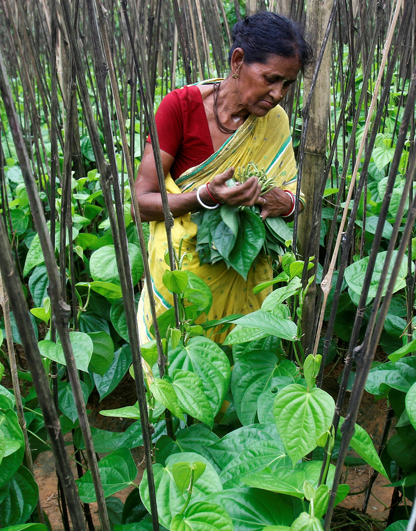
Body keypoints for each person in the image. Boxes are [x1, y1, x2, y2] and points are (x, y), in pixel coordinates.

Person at [134, 12, 313, 348]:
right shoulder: (180, 108)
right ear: (238, 60)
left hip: (248, 277)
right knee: (181, 364)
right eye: (270, 78)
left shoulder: (275, 121)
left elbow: (294, 194)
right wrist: (205, 197)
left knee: (241, 366)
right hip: (184, 279)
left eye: (287, 84)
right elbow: (140, 204)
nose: (278, 94)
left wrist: (284, 202)